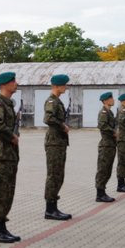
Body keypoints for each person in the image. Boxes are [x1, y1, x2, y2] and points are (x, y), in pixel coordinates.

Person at [0, 72, 21, 243]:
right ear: (5, 84)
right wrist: (11, 136)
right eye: (13, 81)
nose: (16, 83)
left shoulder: (8, 104)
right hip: (1, 154)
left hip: (9, 154)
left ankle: (2, 226)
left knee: (7, 192)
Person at [43, 74, 72, 220]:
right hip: (54, 142)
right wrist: (62, 126)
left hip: (59, 142)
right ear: (57, 86)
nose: (66, 87)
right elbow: (48, 118)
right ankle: (50, 209)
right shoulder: (51, 101)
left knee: (59, 175)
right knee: (54, 175)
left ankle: (54, 206)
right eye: (64, 85)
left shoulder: (57, 101)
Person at [95, 92, 117, 202]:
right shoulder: (104, 112)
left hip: (111, 145)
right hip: (106, 145)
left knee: (108, 170)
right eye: (110, 98)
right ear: (105, 101)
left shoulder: (110, 112)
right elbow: (102, 126)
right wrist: (113, 132)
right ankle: (100, 194)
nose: (113, 100)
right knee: (103, 170)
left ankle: (103, 192)